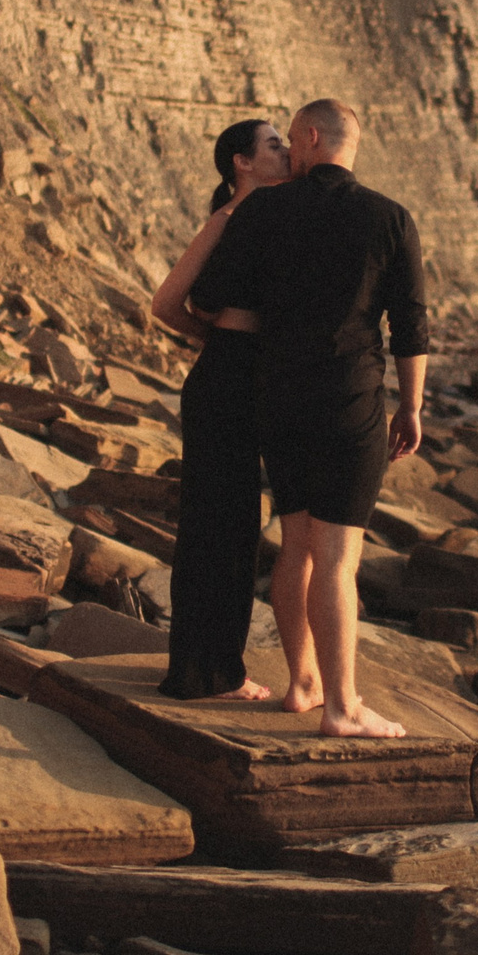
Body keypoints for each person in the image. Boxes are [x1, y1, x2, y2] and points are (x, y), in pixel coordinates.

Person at [189, 98, 428, 739]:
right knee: (339, 560)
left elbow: (209, 298)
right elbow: (410, 326)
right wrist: (411, 406)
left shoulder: (262, 210)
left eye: (292, 143)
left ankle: (301, 685)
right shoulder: (390, 217)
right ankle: (343, 707)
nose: (289, 155)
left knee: (296, 549)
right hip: (349, 403)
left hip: (277, 400)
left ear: (313, 137)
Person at [148, 118, 292, 700]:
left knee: (235, 526)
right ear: (242, 162)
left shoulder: (276, 220)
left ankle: (210, 667)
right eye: (273, 145)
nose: (285, 152)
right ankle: (208, 674)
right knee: (220, 527)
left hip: (248, 376)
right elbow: (165, 303)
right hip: (227, 380)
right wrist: (221, 342)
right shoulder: (230, 219)